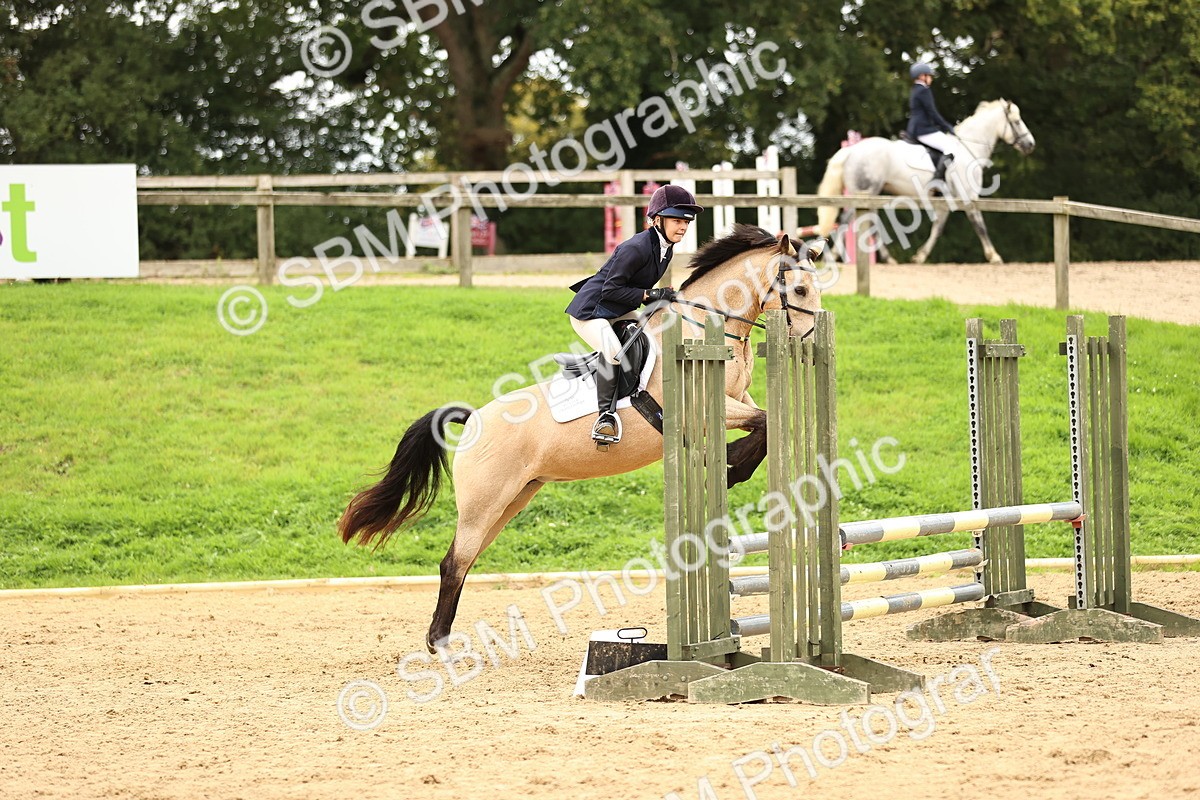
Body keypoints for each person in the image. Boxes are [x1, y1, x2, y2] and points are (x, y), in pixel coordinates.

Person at [565, 183, 703, 445]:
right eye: (676, 220)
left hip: (617, 309)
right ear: (657, 220)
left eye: (687, 221)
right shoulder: (637, 246)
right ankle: (605, 417)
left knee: (649, 341)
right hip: (592, 310)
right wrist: (649, 295)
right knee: (614, 353)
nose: (683, 227)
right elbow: (611, 290)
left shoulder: (665, 246)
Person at [907, 62, 957, 184]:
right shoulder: (924, 90)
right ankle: (937, 179)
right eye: (929, 75)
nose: (931, 78)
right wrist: (947, 127)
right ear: (922, 76)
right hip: (923, 129)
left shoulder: (915, 90)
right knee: (951, 147)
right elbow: (932, 113)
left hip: (915, 128)